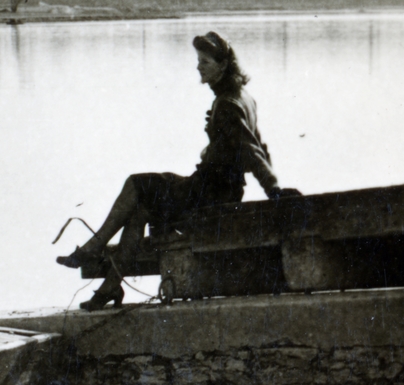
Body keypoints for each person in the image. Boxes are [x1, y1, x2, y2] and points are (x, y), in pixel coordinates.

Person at [56, 31, 290, 310]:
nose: (198, 67)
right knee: (139, 211)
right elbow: (256, 146)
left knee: (136, 183)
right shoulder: (242, 97)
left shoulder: (227, 104)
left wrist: (274, 190)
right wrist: (214, 140)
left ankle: (92, 249)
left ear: (223, 65)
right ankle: (109, 288)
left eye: (205, 61)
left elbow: (252, 152)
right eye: (198, 60)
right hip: (216, 188)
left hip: (209, 193)